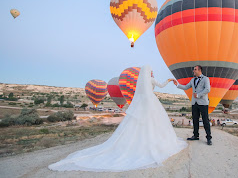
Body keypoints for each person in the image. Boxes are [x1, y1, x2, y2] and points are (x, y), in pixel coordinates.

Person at [49, 65, 187, 172]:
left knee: (141, 122)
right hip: (151, 101)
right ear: (149, 72)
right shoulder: (151, 79)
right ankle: (154, 140)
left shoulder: (141, 81)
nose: (151, 72)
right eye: (150, 70)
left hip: (143, 103)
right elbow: (161, 85)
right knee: (153, 121)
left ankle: (140, 139)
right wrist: (169, 80)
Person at [173, 65, 212, 145]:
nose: (193, 71)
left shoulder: (205, 79)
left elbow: (207, 89)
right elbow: (186, 87)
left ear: (199, 70)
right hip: (194, 103)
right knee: (195, 120)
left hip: (203, 103)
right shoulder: (192, 80)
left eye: (195, 69)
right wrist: (177, 85)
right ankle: (195, 135)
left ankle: (208, 138)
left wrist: (198, 95)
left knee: (205, 120)